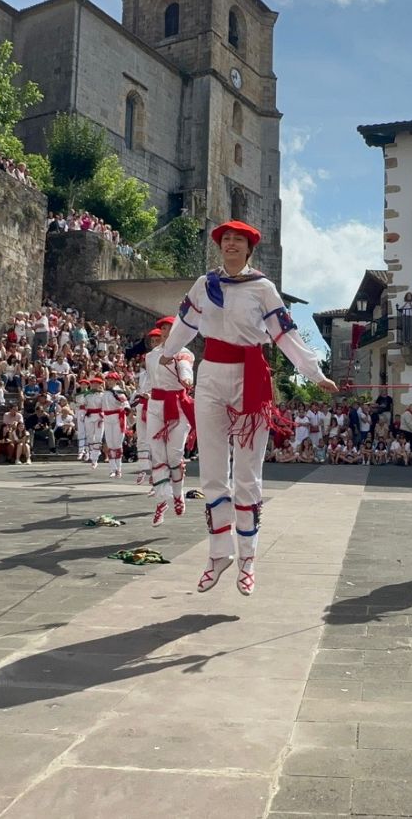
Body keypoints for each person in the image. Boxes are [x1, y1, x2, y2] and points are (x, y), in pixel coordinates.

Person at [159, 220, 338, 594]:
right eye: (226, 239)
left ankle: (248, 558)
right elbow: (186, 322)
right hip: (211, 375)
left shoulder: (262, 288)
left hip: (250, 377)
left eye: (238, 240)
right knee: (211, 470)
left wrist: (314, 372)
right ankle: (218, 554)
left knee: (247, 474)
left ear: (249, 248)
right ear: (219, 246)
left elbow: (285, 333)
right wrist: (170, 350)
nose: (231, 245)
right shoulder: (205, 284)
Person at [138, 318, 196, 525]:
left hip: (177, 406)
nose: (165, 332)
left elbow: (185, 367)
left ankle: (178, 494)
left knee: (174, 455)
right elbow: (148, 380)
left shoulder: (184, 352)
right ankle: (162, 501)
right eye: (163, 328)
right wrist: (143, 393)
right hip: (155, 405)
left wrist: (187, 379)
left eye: (170, 328)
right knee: (158, 454)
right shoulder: (151, 356)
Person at [99, 371, 131, 478]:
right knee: (110, 443)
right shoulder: (105, 393)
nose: (109, 382)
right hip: (107, 418)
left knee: (117, 443)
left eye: (112, 380)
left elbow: (125, 403)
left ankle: (119, 469)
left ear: (116, 381)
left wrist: (126, 409)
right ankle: (112, 469)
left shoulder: (118, 392)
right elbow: (101, 406)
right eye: (108, 380)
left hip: (118, 417)